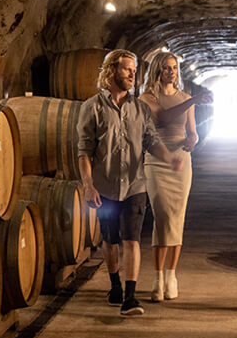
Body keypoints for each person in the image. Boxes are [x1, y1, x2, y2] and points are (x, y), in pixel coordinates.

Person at [77, 49, 183, 316]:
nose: (133, 75)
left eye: (135, 70)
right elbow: (84, 151)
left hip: (135, 185)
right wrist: (88, 185)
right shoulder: (92, 108)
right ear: (112, 71)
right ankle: (115, 285)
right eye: (127, 69)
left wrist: (168, 157)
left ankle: (131, 297)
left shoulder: (140, 108)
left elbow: (151, 141)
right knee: (110, 240)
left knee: (131, 240)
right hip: (105, 187)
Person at [140, 52, 213, 302]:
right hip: (156, 160)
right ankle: (157, 276)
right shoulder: (146, 98)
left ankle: (171, 275)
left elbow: (192, 131)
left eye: (174, 68)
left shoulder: (185, 99)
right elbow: (162, 117)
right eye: (167, 68)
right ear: (157, 70)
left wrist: (194, 138)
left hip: (181, 160)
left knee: (177, 217)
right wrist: (192, 100)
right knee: (162, 215)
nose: (172, 72)